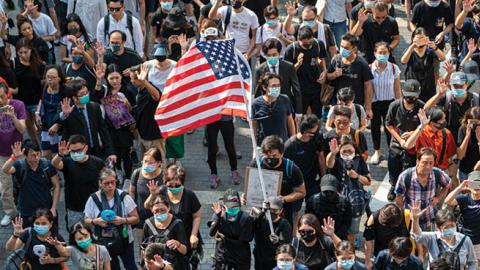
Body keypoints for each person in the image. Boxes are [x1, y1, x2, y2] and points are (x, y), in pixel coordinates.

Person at [144, 164, 203, 269]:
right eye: (170, 185)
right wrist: (152, 195)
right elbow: (148, 206)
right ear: (165, 183)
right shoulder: (162, 191)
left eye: (177, 185)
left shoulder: (189, 195)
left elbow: (197, 215)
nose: (174, 188)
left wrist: (194, 234)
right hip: (167, 236)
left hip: (185, 237)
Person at [84, 168, 139, 270]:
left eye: (113, 182)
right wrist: (95, 221)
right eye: (106, 183)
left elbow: (136, 218)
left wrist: (123, 220)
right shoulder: (93, 198)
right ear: (100, 183)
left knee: (130, 266)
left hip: (124, 239)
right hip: (103, 241)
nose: (110, 186)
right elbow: (86, 221)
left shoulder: (124, 197)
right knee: (112, 267)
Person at [250, 135, 306, 228]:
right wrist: (246, 196)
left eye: (274, 156)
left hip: (282, 214)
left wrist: (283, 199)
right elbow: (250, 184)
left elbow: (301, 192)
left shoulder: (291, 168)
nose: (271, 158)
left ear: (282, 153)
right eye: (267, 155)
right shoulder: (257, 163)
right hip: (260, 212)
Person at [2, 140, 60, 228]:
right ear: (25, 155)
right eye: (33, 155)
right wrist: (13, 157)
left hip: (46, 211)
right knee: (27, 239)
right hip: (26, 212)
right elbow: (5, 170)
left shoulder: (47, 165)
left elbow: (56, 186)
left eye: (38, 154)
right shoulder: (20, 165)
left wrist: (53, 208)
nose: (36, 157)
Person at [52, 135, 105, 230]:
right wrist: (60, 154)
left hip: (94, 208)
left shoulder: (97, 163)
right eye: (73, 151)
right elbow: (55, 164)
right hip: (74, 209)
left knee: (95, 237)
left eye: (79, 150)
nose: (76, 153)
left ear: (86, 148)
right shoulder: (67, 162)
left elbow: (105, 180)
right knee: (75, 237)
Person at [92, 63, 136, 180]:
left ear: (121, 77)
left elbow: (133, 109)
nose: (114, 81)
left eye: (117, 78)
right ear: (107, 78)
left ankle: (128, 178)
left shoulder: (128, 90)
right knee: (113, 153)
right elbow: (94, 98)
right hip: (109, 127)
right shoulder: (105, 90)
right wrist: (98, 80)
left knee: (126, 153)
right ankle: (117, 172)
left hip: (124, 128)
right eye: (111, 78)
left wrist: (127, 104)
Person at [385, 79, 426, 201]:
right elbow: (388, 124)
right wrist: (400, 139)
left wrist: (413, 134)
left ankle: (409, 187)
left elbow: (425, 125)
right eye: (408, 95)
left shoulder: (422, 106)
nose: (411, 99)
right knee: (393, 165)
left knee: (412, 167)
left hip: (415, 143)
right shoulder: (395, 106)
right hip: (397, 142)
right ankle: (393, 186)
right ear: (403, 92)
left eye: (413, 96)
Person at [326, 135, 371, 245]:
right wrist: (332, 153)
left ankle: (351, 252)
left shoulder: (359, 160)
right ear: (339, 150)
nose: (347, 153)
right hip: (337, 200)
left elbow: (368, 181)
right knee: (337, 228)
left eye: (350, 150)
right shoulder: (336, 159)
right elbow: (329, 164)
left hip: (354, 201)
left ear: (355, 150)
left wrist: (357, 176)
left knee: (352, 231)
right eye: (344, 150)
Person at [58, 78, 116, 160]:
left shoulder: (94, 107)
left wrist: (110, 152)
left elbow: (103, 130)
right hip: (76, 152)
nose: (86, 96)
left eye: (86, 93)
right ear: (74, 97)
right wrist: (65, 114)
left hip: (95, 150)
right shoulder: (67, 107)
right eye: (82, 94)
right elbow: (57, 120)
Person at [395, 147, 451, 231]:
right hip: (411, 220)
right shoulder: (406, 176)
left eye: (431, 163)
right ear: (417, 161)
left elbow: (447, 184)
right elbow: (399, 197)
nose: (428, 166)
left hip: (430, 218)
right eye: (424, 163)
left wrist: (438, 198)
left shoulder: (437, 173)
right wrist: (402, 215)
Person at [410, 202, 478, 269]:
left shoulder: (465, 240)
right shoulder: (432, 238)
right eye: (446, 227)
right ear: (438, 228)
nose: (450, 229)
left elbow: (472, 262)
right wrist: (415, 219)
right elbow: (417, 236)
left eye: (452, 226)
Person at [144, 45, 180, 165]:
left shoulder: (174, 65)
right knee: (159, 133)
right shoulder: (148, 65)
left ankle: (176, 158)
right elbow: (138, 70)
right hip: (154, 103)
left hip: (170, 102)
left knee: (174, 133)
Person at [327, 33, 374, 120]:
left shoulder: (362, 64)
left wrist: (368, 108)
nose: (342, 50)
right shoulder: (336, 60)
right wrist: (334, 75)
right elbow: (328, 76)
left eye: (346, 48)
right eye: (341, 46)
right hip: (338, 104)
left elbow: (368, 86)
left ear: (354, 49)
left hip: (354, 106)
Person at [369, 42, 402, 164]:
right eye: (380, 52)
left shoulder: (394, 68)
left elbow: (397, 88)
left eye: (385, 52)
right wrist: (368, 107)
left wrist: (399, 105)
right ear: (375, 53)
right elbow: (367, 89)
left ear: (389, 53)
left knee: (390, 128)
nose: (382, 55)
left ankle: (391, 151)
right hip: (375, 103)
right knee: (375, 127)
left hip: (390, 103)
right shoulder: (369, 68)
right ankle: (377, 151)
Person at [284, 26, 327, 117]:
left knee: (317, 115)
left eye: (310, 41)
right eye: (305, 43)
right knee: (299, 115)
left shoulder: (318, 44)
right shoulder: (291, 49)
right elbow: (288, 72)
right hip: (299, 88)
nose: (308, 44)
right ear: (298, 39)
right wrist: (298, 64)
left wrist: (324, 71)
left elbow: (322, 58)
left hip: (316, 86)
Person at [0, 79, 26, 226]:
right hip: (2, 154)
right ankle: (11, 213)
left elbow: (22, 129)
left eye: (2, 96)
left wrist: (13, 117)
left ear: (7, 94)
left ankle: (26, 209)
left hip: (19, 151)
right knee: (5, 187)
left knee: (24, 181)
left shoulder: (18, 105)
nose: (0, 100)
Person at [254, 38, 302, 119]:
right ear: (265, 55)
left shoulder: (288, 67)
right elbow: (257, 92)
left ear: (279, 54)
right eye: (269, 55)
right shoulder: (260, 70)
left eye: (274, 55)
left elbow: (296, 89)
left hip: (286, 109)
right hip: (268, 109)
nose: (272, 57)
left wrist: (298, 112)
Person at [425, 71, 480, 141]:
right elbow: (426, 108)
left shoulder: (476, 98)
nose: (458, 89)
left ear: (466, 85)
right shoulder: (446, 97)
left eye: (461, 86)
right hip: (450, 138)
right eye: (455, 86)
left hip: (472, 138)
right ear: (450, 86)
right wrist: (438, 95)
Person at [142, 188, 188, 269]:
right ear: (151, 210)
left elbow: (184, 251)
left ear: (169, 208)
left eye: (162, 210)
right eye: (156, 211)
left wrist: (178, 244)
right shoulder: (148, 224)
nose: (159, 213)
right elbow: (143, 247)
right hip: (154, 265)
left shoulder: (177, 224)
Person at [208, 189, 254, 270]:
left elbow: (246, 239)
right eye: (230, 206)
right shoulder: (219, 214)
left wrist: (224, 238)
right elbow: (211, 233)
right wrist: (219, 217)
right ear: (224, 204)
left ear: (239, 204)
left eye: (235, 206)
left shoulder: (246, 218)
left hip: (240, 258)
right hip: (222, 257)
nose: (232, 208)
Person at [13, 37, 46, 147]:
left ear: (31, 50)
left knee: (41, 125)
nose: (23, 55)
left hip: (36, 101)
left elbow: (43, 86)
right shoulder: (14, 63)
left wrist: (40, 104)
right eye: (20, 52)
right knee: (29, 126)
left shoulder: (40, 65)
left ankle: (43, 144)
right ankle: (36, 146)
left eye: (25, 52)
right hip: (21, 101)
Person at [284, 114, 326, 199]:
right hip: (296, 182)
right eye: (311, 133)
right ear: (304, 130)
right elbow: (285, 165)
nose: (314, 135)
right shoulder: (290, 145)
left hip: (312, 180)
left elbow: (321, 157)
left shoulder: (317, 138)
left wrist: (324, 177)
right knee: (295, 208)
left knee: (312, 205)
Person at [401, 27, 446, 102]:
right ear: (413, 39)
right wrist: (412, 46)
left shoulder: (430, 50)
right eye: (418, 38)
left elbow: (443, 58)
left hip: (428, 88)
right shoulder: (410, 51)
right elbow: (403, 61)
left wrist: (435, 47)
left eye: (422, 38)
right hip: (412, 88)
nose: (420, 40)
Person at [129, 147, 164, 242]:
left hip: (159, 218)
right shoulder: (137, 173)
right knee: (143, 245)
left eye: (151, 162)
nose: (147, 165)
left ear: (159, 163)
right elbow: (132, 191)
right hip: (141, 217)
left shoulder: (164, 177)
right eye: (145, 161)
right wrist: (132, 209)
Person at [252, 73, 296, 145]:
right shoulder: (256, 103)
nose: (277, 88)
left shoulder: (285, 99)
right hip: (264, 146)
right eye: (273, 86)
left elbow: (290, 121)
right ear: (264, 87)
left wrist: (293, 140)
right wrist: (254, 145)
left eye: (278, 85)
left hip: (282, 145)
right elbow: (254, 124)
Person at [445, 171, 480, 261]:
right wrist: (459, 188)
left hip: (478, 242)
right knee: (463, 262)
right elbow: (448, 201)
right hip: (465, 238)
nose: (476, 187)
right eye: (474, 183)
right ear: (469, 185)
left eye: (479, 183)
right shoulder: (465, 198)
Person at [364, 204, 411, 269]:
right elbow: (368, 241)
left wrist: (420, 253)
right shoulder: (373, 219)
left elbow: (415, 235)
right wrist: (367, 260)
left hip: (401, 252)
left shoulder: (406, 215)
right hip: (381, 251)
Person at [306, 174, 352, 240]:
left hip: (339, 236)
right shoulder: (312, 201)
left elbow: (347, 223)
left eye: (331, 191)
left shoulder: (344, 202)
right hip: (318, 236)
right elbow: (309, 221)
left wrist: (334, 236)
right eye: (325, 191)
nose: (328, 194)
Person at [47, 222, 112, 270]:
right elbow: (63, 251)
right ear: (74, 240)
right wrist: (57, 245)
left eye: (86, 236)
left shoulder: (102, 250)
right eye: (80, 239)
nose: (84, 240)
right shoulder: (73, 250)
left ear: (90, 234)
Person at [252, 196, 293, 270]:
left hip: (274, 261)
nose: (272, 213)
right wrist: (262, 212)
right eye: (270, 210)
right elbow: (252, 226)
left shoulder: (284, 224)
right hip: (260, 258)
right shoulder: (261, 220)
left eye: (275, 210)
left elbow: (287, 245)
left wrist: (279, 241)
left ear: (281, 210)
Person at [36, 65, 66, 159]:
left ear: (59, 79)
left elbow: (67, 111)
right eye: (47, 76)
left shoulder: (64, 90)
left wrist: (58, 124)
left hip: (60, 125)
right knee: (45, 154)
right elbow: (41, 100)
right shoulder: (43, 85)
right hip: (46, 123)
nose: (49, 80)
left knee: (57, 155)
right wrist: (37, 113)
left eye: (52, 77)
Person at [23, 0, 58, 64]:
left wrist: (38, 39)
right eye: (25, 6)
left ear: (36, 7)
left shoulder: (46, 19)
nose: (28, 9)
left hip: (46, 50)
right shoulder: (26, 19)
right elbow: (18, 20)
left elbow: (53, 37)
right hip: (33, 50)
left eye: (30, 6)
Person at [457, 107, 480, 181]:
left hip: (478, 171)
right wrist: (467, 136)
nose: (473, 125)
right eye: (471, 122)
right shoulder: (463, 129)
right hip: (465, 171)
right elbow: (460, 156)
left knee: (476, 192)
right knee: (466, 192)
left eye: (476, 123)